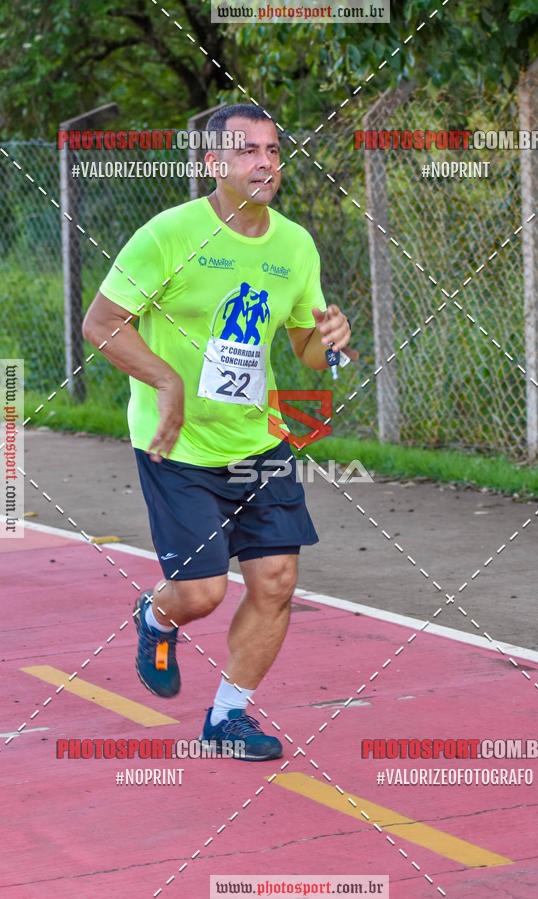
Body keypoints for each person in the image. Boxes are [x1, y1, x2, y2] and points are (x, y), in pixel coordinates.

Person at [82, 103, 356, 761]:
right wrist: (166, 380)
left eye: (272, 150)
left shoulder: (294, 245)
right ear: (213, 163)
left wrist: (332, 342)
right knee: (202, 591)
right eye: (247, 151)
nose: (264, 162)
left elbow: (306, 348)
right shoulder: (167, 236)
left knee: (277, 582)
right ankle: (156, 616)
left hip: (258, 444)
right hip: (176, 445)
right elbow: (102, 323)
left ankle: (227, 717)